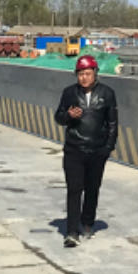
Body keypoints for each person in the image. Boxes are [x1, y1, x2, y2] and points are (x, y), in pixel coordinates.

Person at [54, 54, 118, 247]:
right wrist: (68, 116)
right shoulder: (69, 93)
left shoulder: (107, 93)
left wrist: (108, 148)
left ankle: (88, 221)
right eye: (80, 74)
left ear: (95, 74)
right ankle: (72, 232)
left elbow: (112, 123)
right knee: (74, 189)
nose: (84, 78)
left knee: (92, 188)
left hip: (97, 150)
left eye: (88, 73)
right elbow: (58, 117)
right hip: (74, 149)